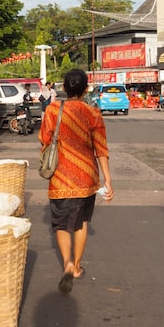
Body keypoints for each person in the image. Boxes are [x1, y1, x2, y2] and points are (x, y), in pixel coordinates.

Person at [40, 68, 112, 293]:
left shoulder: (53, 110)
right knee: (81, 223)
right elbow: (101, 149)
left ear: (64, 87)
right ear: (86, 89)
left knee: (61, 224)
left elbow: (44, 139)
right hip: (86, 178)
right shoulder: (93, 113)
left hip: (60, 178)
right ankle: (78, 265)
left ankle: (67, 263)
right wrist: (108, 181)